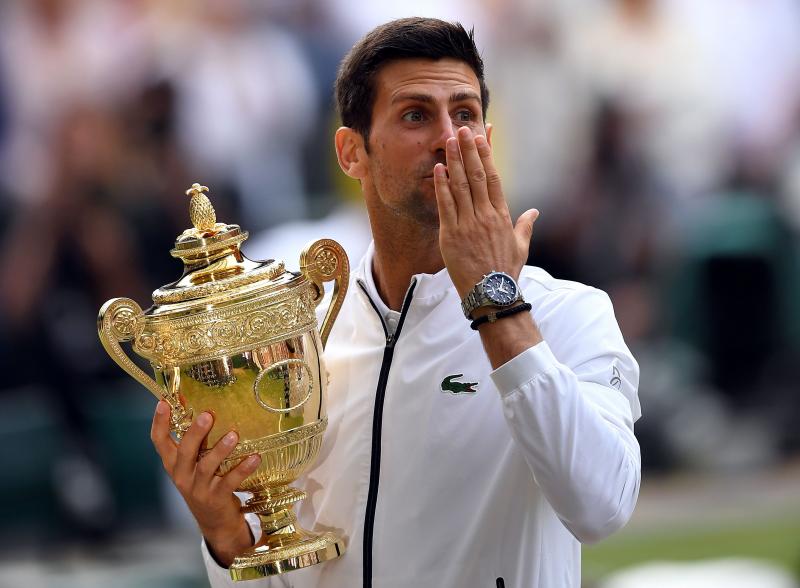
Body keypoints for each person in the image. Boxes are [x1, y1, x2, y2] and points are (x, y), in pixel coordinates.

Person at [150, 17, 642, 588]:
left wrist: (495, 302)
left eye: (465, 114)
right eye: (415, 115)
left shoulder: (569, 313)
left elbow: (602, 507)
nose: (447, 137)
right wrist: (229, 539)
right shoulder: (300, 338)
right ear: (351, 152)